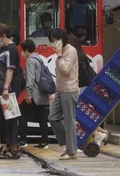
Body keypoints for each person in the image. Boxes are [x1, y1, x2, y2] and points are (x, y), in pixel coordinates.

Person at [0, 23, 22, 160]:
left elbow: (10, 69)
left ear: (4, 36)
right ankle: (8, 144)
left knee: (10, 117)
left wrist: (6, 87)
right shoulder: (2, 49)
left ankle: (12, 147)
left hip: (8, 88)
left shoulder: (11, 50)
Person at [47, 28, 79, 160]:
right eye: (52, 42)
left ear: (61, 39)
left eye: (55, 41)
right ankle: (68, 142)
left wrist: (59, 55)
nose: (53, 44)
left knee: (69, 120)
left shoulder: (70, 50)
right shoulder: (61, 51)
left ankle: (72, 151)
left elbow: (66, 70)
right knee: (52, 117)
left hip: (69, 89)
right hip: (60, 90)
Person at [19, 39, 50, 149]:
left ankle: (23, 140)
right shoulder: (38, 58)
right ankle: (44, 141)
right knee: (41, 117)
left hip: (34, 94)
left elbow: (30, 79)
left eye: (23, 50)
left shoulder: (30, 60)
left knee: (22, 114)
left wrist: (28, 94)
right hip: (41, 93)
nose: (22, 53)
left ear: (26, 50)